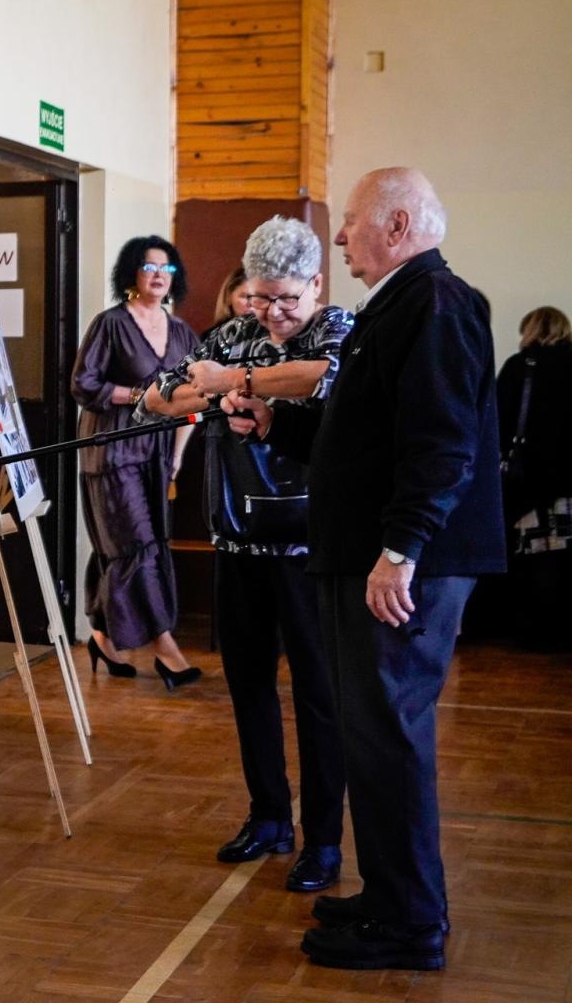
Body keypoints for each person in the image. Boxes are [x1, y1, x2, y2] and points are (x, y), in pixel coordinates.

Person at [224, 168, 504, 971]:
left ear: (400, 222)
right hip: (372, 556)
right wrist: (276, 423)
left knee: (391, 738)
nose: (340, 237)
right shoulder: (404, 305)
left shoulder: (439, 305)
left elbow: (443, 445)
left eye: (349, 223)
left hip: (404, 565)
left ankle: (411, 923)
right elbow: (367, 442)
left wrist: (400, 550)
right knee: (374, 737)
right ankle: (391, 899)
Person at [144, 217, 351, 892]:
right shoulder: (232, 332)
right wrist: (211, 386)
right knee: (249, 686)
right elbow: (157, 395)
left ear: (317, 284)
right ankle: (269, 816)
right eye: (261, 298)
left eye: (288, 298)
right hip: (237, 540)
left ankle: (323, 839)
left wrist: (241, 380)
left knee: (320, 697)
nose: (274, 313)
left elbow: (322, 379)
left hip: (312, 548)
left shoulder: (337, 328)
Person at [71, 236, 201, 688]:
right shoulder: (110, 324)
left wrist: (178, 457)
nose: (159, 275)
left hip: (159, 455)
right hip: (112, 450)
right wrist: (137, 397)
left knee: (128, 546)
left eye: (168, 269)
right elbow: (84, 385)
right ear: (132, 274)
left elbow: (193, 397)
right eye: (149, 267)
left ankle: (103, 639)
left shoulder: (183, 333)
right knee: (136, 545)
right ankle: (166, 650)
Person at [496, 306, 572, 651]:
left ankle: (532, 633)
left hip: (530, 481)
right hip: (568, 481)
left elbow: (498, 422)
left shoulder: (519, 366)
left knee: (535, 555)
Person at [204, 265, 253, 338]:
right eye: (247, 297)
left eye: (261, 297)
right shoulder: (211, 339)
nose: (253, 303)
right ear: (229, 297)